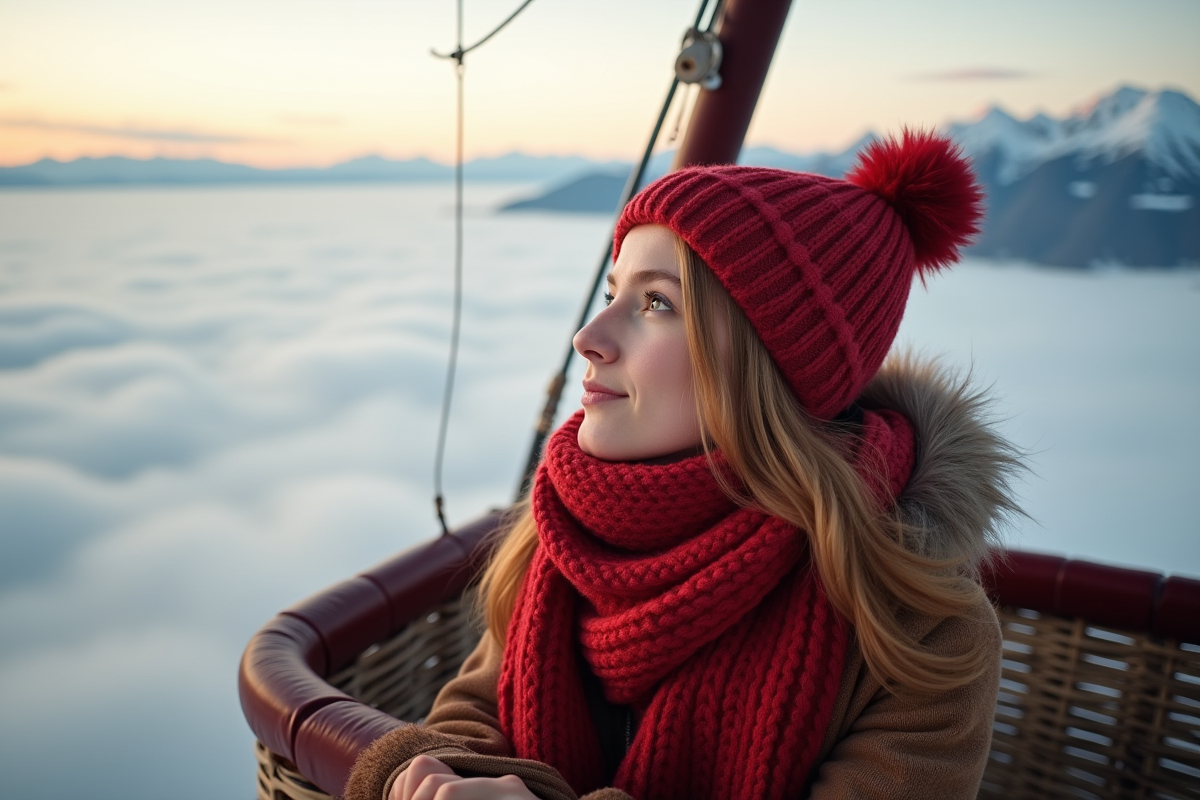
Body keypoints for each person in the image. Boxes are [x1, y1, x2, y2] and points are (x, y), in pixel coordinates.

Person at [344, 129, 1023, 800]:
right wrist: (428, 773)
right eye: (613, 295)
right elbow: (473, 714)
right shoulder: (562, 540)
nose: (589, 338)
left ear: (766, 368)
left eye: (657, 303)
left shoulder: (922, 627)